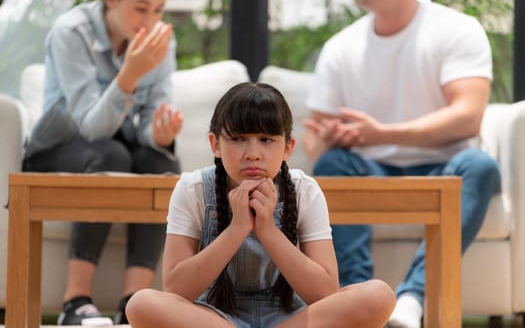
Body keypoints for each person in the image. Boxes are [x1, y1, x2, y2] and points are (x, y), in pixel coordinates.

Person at [302, 0, 501, 328]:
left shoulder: (456, 30)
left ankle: (411, 299)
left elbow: (469, 117)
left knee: (480, 165)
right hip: (369, 168)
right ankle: (358, 297)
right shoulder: (340, 47)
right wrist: (331, 139)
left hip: (445, 168)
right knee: (332, 163)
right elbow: (313, 142)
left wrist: (380, 134)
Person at [124, 82, 396, 328]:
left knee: (378, 296)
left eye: (266, 140)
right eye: (238, 139)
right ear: (214, 144)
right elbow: (177, 290)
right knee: (141, 304)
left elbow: (324, 292)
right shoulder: (192, 189)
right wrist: (237, 228)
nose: (253, 154)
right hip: (215, 318)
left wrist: (267, 230)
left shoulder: (304, 190)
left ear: (288, 147)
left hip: (290, 319)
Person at [22, 0, 182, 325]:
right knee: (111, 156)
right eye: (141, 8)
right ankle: (75, 303)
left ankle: (132, 306)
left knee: (161, 162)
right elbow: (91, 126)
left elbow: (149, 120)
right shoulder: (72, 32)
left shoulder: (161, 43)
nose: (151, 20)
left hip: (117, 146)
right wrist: (129, 75)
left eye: (158, 10)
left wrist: (159, 134)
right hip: (57, 149)